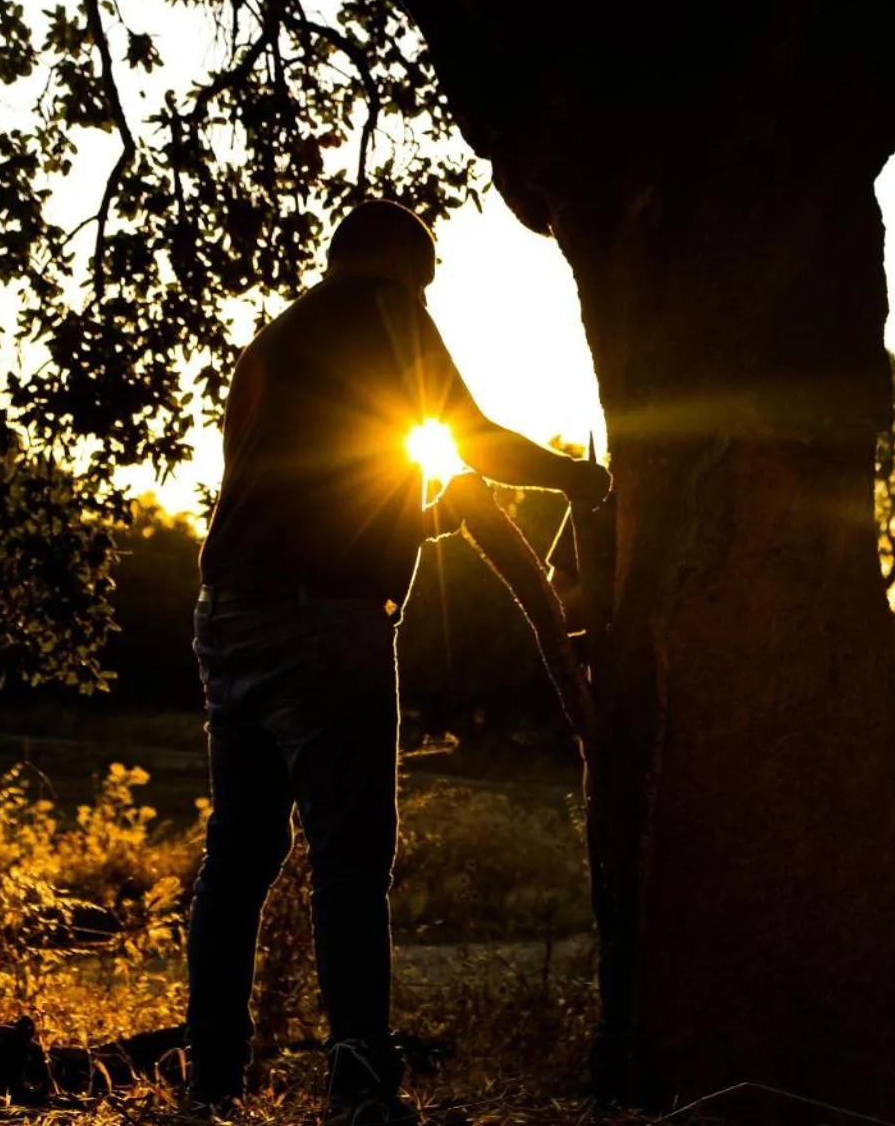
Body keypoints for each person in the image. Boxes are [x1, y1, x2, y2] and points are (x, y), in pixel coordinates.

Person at [184, 200, 609, 1124]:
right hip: (322, 630)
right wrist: (583, 480)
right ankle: (362, 1083)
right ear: (395, 266)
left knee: (240, 856)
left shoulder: (270, 344)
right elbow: (475, 437)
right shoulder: (388, 315)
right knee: (349, 858)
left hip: (227, 616)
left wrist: (425, 518)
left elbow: (305, 498)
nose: (426, 300)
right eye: (424, 281)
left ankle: (212, 1073)